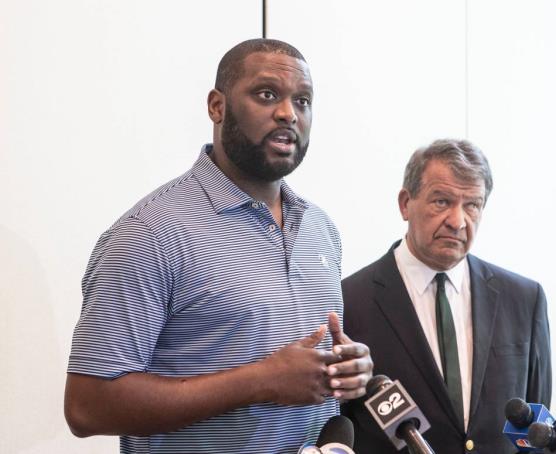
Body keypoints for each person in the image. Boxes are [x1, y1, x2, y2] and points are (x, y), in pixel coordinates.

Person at [64, 39, 372, 454]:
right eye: (267, 94)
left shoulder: (321, 228)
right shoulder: (150, 233)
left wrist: (346, 371)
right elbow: (87, 406)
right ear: (217, 106)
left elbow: (297, 369)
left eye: (303, 101)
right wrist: (260, 382)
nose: (288, 113)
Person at [341, 139, 551, 453]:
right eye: (442, 201)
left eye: (472, 205)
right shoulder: (349, 301)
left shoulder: (524, 299)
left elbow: (538, 433)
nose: (458, 221)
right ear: (405, 203)